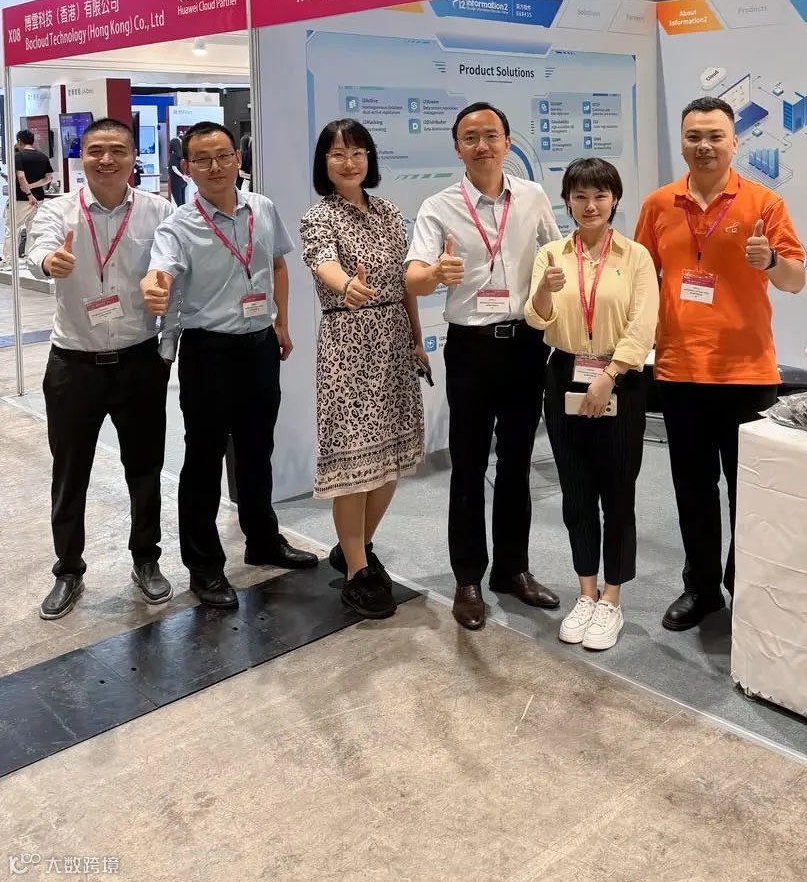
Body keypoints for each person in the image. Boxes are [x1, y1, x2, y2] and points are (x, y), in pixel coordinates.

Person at [634, 96, 805, 632]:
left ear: (734, 141)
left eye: (714, 136)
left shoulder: (764, 203)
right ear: (682, 142)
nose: (704, 146)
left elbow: (795, 279)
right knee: (692, 488)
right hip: (679, 369)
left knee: (747, 490)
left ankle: (745, 584)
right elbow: (640, 277)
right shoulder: (658, 204)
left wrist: (770, 260)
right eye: (694, 137)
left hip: (747, 373)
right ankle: (702, 588)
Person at [140, 121, 317, 609]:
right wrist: (153, 287)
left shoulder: (262, 207)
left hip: (259, 346)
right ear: (186, 168)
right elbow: (160, 272)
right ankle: (204, 567)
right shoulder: (178, 226)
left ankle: (263, 540)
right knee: (204, 458)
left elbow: (277, 264)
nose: (215, 166)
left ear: (238, 159)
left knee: (258, 449)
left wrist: (281, 323)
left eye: (223, 155)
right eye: (202, 159)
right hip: (208, 352)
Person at [405, 101, 561, 631]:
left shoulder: (533, 197)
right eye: (470, 137)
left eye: (491, 135)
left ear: (507, 141)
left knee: (517, 461)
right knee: (469, 464)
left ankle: (513, 570)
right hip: (471, 348)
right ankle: (468, 577)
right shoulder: (439, 207)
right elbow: (413, 278)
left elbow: (556, 255)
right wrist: (436, 273)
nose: (482, 145)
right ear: (457, 148)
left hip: (525, 344)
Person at [27, 118, 175, 620]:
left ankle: (146, 559)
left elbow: (174, 264)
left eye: (117, 150)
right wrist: (49, 262)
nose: (106, 160)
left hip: (139, 361)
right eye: (95, 151)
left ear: (134, 156)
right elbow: (38, 248)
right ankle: (68, 569)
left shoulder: (158, 210)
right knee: (70, 472)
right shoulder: (58, 209)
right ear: (81, 157)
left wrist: (167, 297)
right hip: (74, 365)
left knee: (145, 468)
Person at [525, 158, 658, 651]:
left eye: (600, 195)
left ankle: (612, 598)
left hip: (619, 378)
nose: (590, 205)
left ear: (614, 199)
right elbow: (536, 319)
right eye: (579, 196)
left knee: (617, 493)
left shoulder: (636, 256)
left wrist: (609, 375)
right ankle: (585, 592)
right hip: (563, 374)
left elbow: (643, 324)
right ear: (567, 202)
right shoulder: (552, 254)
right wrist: (544, 290)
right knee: (576, 491)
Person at [301, 119, 426, 619]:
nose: (348, 162)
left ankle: (356, 545)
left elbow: (405, 281)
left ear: (369, 158)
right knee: (353, 467)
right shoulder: (319, 217)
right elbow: (322, 263)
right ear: (324, 163)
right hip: (348, 346)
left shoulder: (389, 212)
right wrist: (346, 285)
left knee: (391, 460)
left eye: (357, 152)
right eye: (337, 154)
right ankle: (357, 570)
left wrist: (416, 339)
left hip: (394, 340)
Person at [2, 129, 53, 269]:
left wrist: (28, 192)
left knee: (12, 229)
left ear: (19, 141)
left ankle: (8, 260)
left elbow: (20, 176)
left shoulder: (18, 156)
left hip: (21, 199)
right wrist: (32, 187)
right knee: (33, 230)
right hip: (39, 199)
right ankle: (31, 259)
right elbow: (48, 178)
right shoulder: (43, 156)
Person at [168, 136, 186, 206]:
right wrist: (184, 176)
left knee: (178, 202)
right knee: (183, 201)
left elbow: (174, 168)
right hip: (182, 181)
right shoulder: (182, 156)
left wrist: (182, 176)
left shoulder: (174, 156)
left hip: (176, 180)